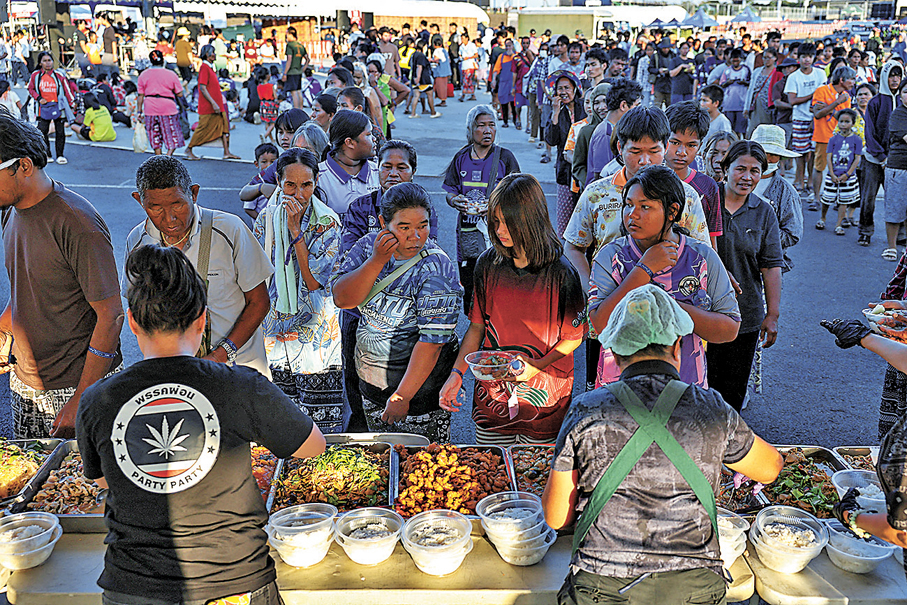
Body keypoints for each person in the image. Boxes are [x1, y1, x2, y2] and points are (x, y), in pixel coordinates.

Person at [76, 243, 326, 605]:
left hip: (134, 588)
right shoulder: (240, 385)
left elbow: (104, 478)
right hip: (236, 585)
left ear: (132, 321)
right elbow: (312, 445)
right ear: (202, 319)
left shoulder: (97, 400)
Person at [545, 283, 782, 605]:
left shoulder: (587, 409)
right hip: (692, 587)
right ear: (677, 349)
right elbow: (770, 469)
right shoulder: (711, 409)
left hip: (602, 586)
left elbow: (556, 518)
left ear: (614, 352)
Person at [0, 115, 123, 440]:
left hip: (78, 387)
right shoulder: (11, 213)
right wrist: (2, 330)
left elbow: (111, 316)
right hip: (25, 383)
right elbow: (27, 289)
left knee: (84, 489)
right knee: (29, 483)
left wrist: (82, 397)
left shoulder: (77, 223)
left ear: (23, 166)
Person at [440, 173, 585, 445]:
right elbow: (476, 327)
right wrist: (456, 375)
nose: (500, 231)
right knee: (492, 469)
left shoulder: (562, 273)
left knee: (536, 476)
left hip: (546, 402)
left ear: (532, 220)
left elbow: (573, 337)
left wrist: (537, 367)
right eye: (495, 222)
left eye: (509, 222)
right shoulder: (486, 264)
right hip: (491, 400)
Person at [588, 165, 740, 388]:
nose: (633, 214)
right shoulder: (610, 256)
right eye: (628, 205)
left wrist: (666, 305)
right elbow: (600, 324)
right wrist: (643, 270)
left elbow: (729, 329)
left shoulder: (702, 258)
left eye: (645, 206)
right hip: (620, 388)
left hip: (684, 386)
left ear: (672, 211)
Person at [332, 183, 462, 442]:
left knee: (421, 465)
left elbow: (431, 343)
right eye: (404, 227)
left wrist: (403, 397)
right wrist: (376, 261)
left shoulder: (437, 268)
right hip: (371, 384)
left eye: (422, 226)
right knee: (382, 458)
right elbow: (343, 299)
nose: (415, 236)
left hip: (418, 391)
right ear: (383, 222)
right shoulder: (368, 246)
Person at [126, 156, 273, 378]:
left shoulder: (229, 230)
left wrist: (220, 355)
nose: (170, 218)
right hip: (176, 377)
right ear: (139, 201)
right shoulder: (138, 242)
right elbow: (139, 310)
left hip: (237, 370)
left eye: (178, 204)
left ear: (193, 193)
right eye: (155, 208)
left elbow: (259, 302)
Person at [340, 140, 437, 432]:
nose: (393, 173)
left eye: (401, 167)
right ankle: (362, 431)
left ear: (413, 172)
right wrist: (376, 259)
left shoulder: (424, 211)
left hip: (409, 324)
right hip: (361, 318)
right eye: (386, 166)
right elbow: (347, 267)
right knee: (359, 385)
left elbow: (426, 256)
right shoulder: (360, 208)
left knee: (411, 389)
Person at [252, 149, 343, 433]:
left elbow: (315, 281)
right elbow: (259, 271)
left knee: (319, 416)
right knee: (281, 413)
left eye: (307, 185)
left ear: (316, 183)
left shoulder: (327, 222)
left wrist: (296, 233)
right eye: (290, 184)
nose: (299, 193)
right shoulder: (266, 217)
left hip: (316, 330)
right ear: (279, 182)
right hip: (275, 326)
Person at [707, 141, 784, 411]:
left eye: (755, 171)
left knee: (732, 394)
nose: (747, 177)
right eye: (740, 169)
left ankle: (726, 449)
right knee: (698, 389)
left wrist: (772, 314)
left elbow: (772, 265)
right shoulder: (704, 202)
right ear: (725, 169)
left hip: (744, 316)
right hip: (700, 313)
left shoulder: (764, 212)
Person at [443, 104, 520, 313]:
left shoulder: (505, 157)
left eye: (491, 125)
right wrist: (455, 201)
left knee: (499, 279)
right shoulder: (460, 158)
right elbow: (450, 191)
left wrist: (496, 206)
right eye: (481, 126)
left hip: (498, 231)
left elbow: (518, 193)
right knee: (471, 283)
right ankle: (474, 328)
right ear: (470, 130)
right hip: (468, 232)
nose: (487, 130)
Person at [665, 101, 723, 248]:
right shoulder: (647, 180)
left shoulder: (708, 186)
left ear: (700, 146)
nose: (681, 152)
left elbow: (711, 242)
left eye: (691, 145)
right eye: (675, 142)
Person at [749, 124, 803, 273]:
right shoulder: (736, 180)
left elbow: (793, 234)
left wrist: (758, 234)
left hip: (766, 265)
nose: (768, 158)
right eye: (763, 152)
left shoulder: (786, 192)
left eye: (773, 154)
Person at [862, 62, 903, 248]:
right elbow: (869, 133)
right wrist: (881, 157)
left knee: (898, 199)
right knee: (868, 198)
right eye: (891, 75)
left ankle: (901, 234)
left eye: (898, 75)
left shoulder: (904, 102)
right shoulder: (875, 102)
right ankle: (865, 231)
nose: (895, 79)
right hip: (874, 159)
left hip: (897, 162)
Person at [316, 109, 379, 219]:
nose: (374, 139)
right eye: (368, 134)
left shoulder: (378, 172)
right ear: (349, 142)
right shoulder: (318, 177)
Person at [546, 70, 587, 236]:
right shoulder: (558, 111)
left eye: (567, 88)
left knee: (584, 215)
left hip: (584, 168)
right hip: (565, 170)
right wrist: (555, 112)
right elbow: (551, 140)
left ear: (575, 89)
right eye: (560, 88)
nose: (563, 92)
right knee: (564, 217)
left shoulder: (585, 108)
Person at [810, 65, 856, 211]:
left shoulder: (846, 96)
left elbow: (844, 117)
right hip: (823, 137)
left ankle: (839, 199)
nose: (853, 82)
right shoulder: (821, 91)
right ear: (842, 80)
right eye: (852, 79)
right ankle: (816, 198)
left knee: (841, 168)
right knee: (819, 167)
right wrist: (836, 103)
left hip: (841, 138)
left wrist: (828, 109)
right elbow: (817, 114)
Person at [582, 79, 643, 189]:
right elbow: (602, 178)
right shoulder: (605, 134)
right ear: (623, 105)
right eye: (636, 105)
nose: (639, 110)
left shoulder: (615, 129)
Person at [185, 45, 240, 160]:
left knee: (225, 128)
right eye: (213, 52)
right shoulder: (204, 68)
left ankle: (226, 152)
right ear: (207, 55)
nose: (214, 54)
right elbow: (203, 87)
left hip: (218, 105)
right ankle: (189, 149)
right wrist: (213, 103)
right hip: (209, 107)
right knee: (202, 128)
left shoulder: (209, 68)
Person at [785, 43, 826, 195]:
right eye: (803, 57)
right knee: (800, 153)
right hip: (800, 118)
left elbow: (822, 98)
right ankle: (799, 180)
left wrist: (815, 107)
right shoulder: (793, 77)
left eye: (809, 57)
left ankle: (810, 180)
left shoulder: (820, 74)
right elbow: (792, 101)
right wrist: (813, 95)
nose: (806, 60)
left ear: (814, 57)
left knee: (813, 152)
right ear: (799, 58)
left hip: (817, 118)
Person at [26, 51, 76, 165]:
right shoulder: (35, 76)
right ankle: (47, 154)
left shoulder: (59, 76)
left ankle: (60, 155)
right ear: (40, 63)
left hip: (58, 107)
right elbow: (30, 89)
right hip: (42, 108)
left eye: (49, 60)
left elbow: (67, 90)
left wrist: (72, 103)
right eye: (45, 61)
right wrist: (39, 98)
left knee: (60, 132)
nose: (48, 63)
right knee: (42, 131)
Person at [819, 108, 861, 234]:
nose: (843, 124)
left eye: (847, 121)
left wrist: (847, 174)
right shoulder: (833, 139)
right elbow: (829, 156)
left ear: (853, 123)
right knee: (827, 198)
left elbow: (857, 158)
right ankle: (822, 218)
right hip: (833, 175)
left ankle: (838, 224)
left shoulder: (857, 140)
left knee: (844, 201)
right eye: (841, 121)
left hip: (848, 177)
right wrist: (831, 173)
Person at [137, 49, 185, 156]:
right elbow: (180, 94)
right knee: (171, 134)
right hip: (168, 107)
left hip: (150, 107)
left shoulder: (143, 75)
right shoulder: (171, 74)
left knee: (154, 134)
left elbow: (140, 96)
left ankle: (158, 156)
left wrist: (139, 112)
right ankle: (168, 156)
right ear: (163, 61)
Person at [884, 81, 907, 261]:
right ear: (900, 95)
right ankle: (891, 246)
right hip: (898, 168)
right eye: (906, 92)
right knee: (894, 207)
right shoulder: (898, 114)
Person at [744, 47, 777, 138]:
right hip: (756, 105)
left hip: (769, 106)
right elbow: (751, 89)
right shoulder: (757, 71)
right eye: (764, 57)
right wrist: (746, 107)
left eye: (769, 57)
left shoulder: (777, 72)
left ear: (775, 58)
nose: (766, 60)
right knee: (753, 131)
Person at [244, 142, 279, 220]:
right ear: (257, 164)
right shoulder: (255, 185)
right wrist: (263, 222)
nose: (269, 165)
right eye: (264, 162)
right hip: (262, 228)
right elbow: (248, 208)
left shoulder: (279, 182)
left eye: (272, 162)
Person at [408, 39, 439, 118]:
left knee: (416, 96)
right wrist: (418, 78)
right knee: (430, 94)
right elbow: (419, 66)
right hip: (423, 79)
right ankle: (433, 112)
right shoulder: (421, 55)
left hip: (414, 78)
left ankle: (413, 113)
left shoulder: (414, 54)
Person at [492, 39, 517, 128]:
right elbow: (496, 69)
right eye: (507, 46)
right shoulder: (501, 57)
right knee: (503, 102)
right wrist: (493, 80)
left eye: (510, 45)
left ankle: (516, 121)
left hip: (513, 83)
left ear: (513, 46)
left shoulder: (516, 57)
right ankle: (505, 121)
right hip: (503, 82)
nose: (508, 47)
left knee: (513, 103)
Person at [282, 27, 308, 109]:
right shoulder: (300, 46)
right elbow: (307, 59)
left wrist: (285, 73)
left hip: (291, 72)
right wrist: (303, 68)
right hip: (298, 72)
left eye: (287, 35)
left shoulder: (290, 45)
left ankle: (296, 110)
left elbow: (289, 60)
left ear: (290, 34)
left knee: (294, 93)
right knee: (299, 91)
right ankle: (301, 109)